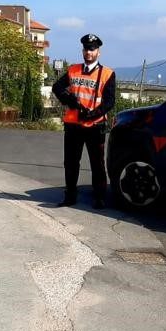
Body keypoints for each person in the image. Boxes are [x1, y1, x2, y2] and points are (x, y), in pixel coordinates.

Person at [53, 33, 117, 209]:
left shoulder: (107, 74)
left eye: (92, 49)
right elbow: (56, 87)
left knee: (97, 164)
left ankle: (99, 197)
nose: (88, 52)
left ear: (98, 52)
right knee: (71, 163)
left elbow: (110, 101)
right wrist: (69, 100)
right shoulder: (73, 70)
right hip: (73, 124)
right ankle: (70, 196)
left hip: (95, 125)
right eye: (85, 49)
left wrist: (94, 114)